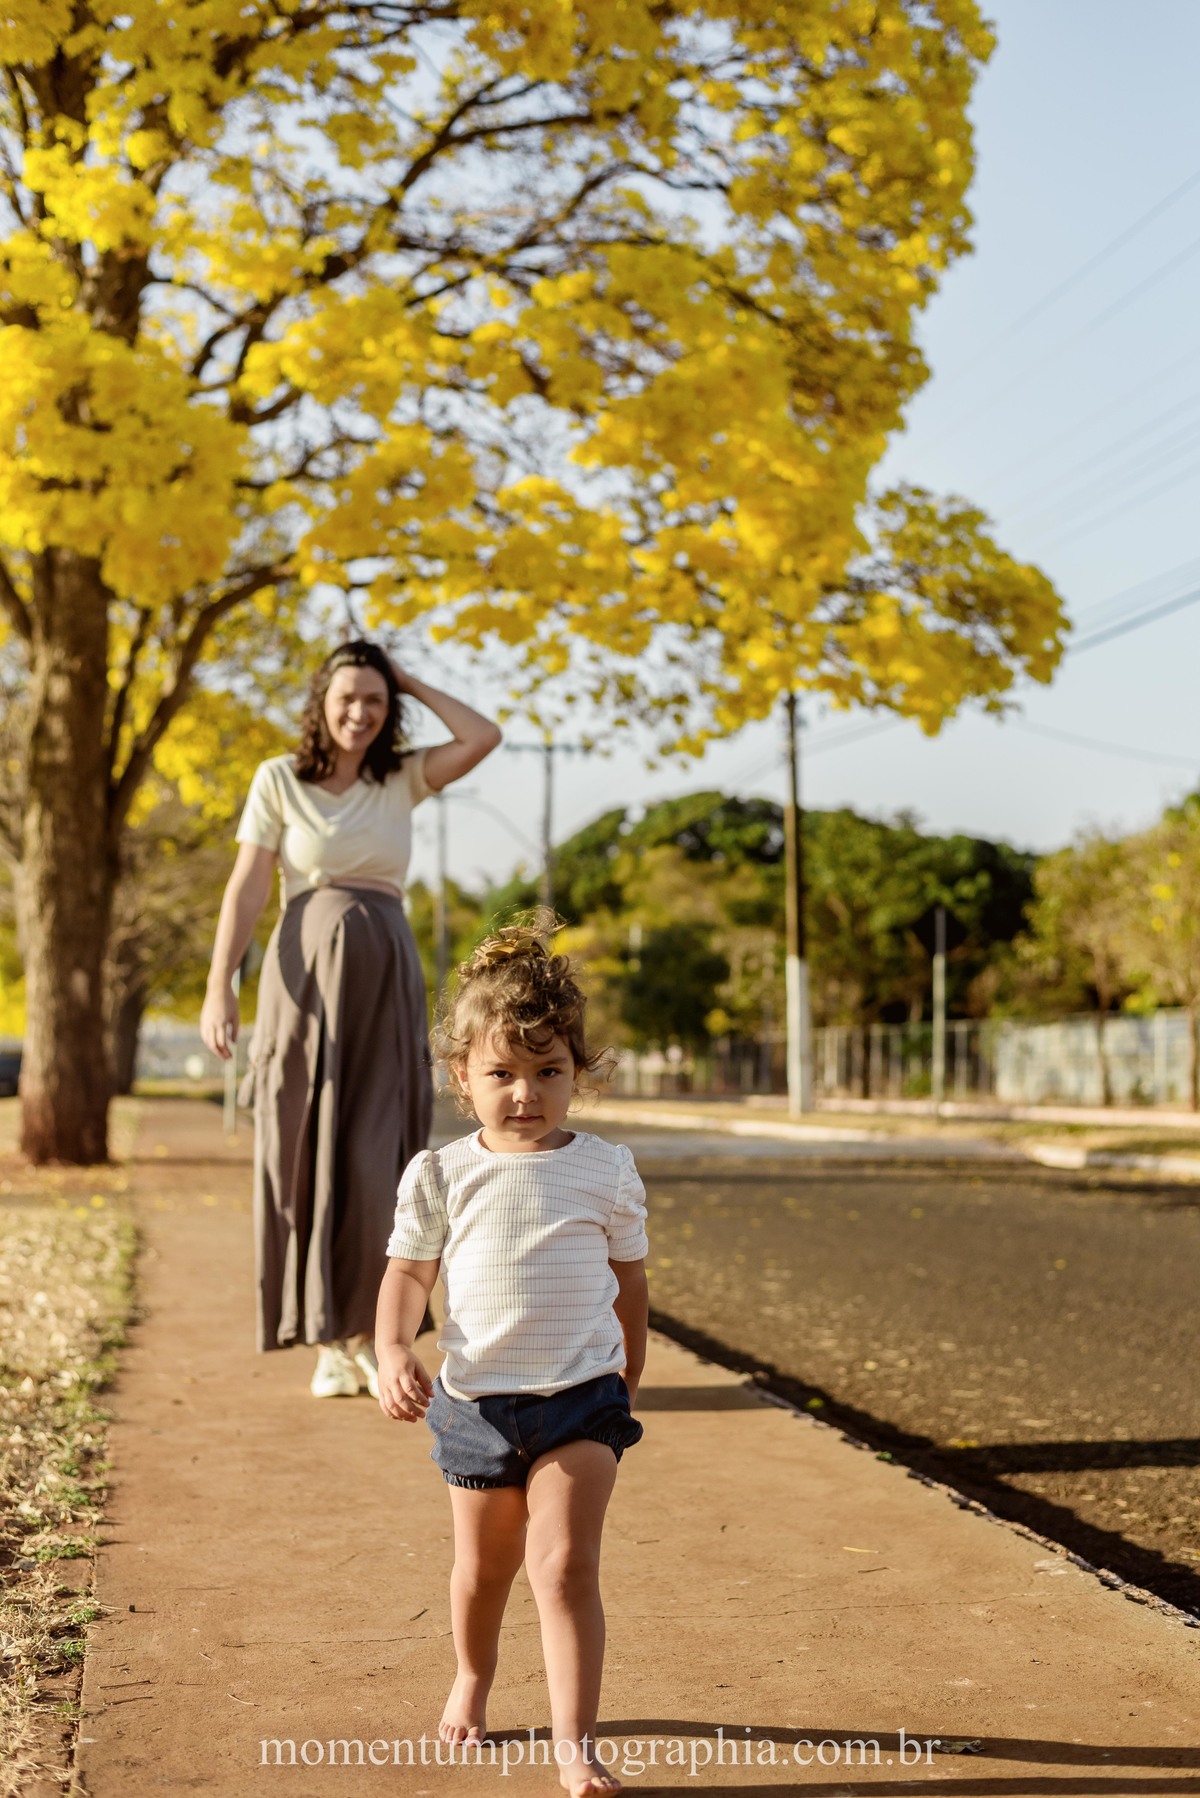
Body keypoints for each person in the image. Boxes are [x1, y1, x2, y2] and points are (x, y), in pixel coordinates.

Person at [375, 918, 649, 1798]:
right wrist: (390, 1346)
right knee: (483, 1571)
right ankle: (474, 1678)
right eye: (501, 1073)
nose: (525, 1093)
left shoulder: (605, 1170)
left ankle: (576, 1745)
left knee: (564, 1567)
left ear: (579, 1072)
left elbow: (629, 1280)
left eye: (548, 1072)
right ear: (463, 1076)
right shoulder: (442, 1174)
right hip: (476, 1408)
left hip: (582, 1401)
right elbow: (410, 1274)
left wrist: (628, 1373)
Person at [200, 641, 501, 1398]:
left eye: (375, 700)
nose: (360, 713)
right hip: (303, 979)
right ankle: (327, 1339)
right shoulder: (279, 779)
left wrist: (408, 679)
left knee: (379, 1161)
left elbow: (481, 736)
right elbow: (246, 887)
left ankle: (374, 1335)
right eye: (347, 699)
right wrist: (219, 985)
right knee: (303, 1152)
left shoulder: (400, 777)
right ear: (320, 704)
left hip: (384, 976)